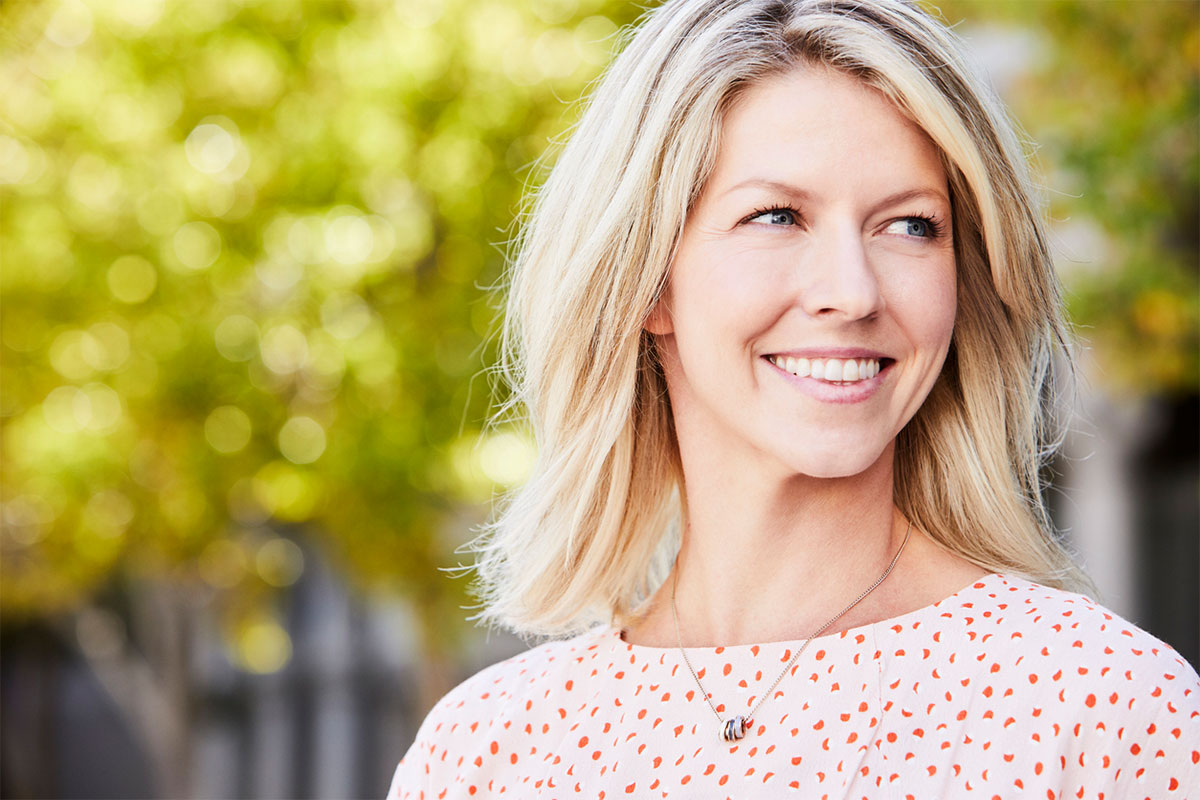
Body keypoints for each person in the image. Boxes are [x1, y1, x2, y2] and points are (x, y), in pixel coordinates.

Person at [389, 0, 1200, 797]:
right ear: (647, 281)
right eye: (777, 216)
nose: (851, 292)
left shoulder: (1105, 710)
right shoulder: (487, 752)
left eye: (911, 225)